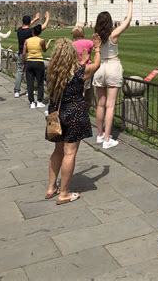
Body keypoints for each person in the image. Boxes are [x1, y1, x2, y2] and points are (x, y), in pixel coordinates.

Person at [45, 36, 101, 203]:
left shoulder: (51, 72)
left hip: (56, 114)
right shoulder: (79, 72)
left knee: (57, 151)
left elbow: (66, 77)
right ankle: (64, 193)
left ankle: (51, 187)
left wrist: (83, 63)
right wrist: (97, 49)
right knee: (70, 153)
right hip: (74, 113)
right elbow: (96, 65)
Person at [93, 0, 133, 149]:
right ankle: (107, 139)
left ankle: (100, 134)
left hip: (100, 67)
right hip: (113, 66)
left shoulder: (96, 36)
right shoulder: (113, 34)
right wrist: (130, 2)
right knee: (110, 105)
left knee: (100, 104)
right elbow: (128, 21)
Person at [14, 12, 50, 98]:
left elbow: (26, 25)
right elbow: (43, 27)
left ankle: (17, 91)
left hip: (20, 53)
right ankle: (28, 90)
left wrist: (35, 19)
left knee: (19, 72)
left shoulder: (19, 30)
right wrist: (47, 18)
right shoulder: (31, 31)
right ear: (29, 22)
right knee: (29, 74)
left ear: (22, 22)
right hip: (29, 55)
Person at [23, 24, 51, 109]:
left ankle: (31, 102)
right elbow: (44, 50)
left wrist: (25, 63)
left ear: (33, 32)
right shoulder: (41, 40)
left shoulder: (27, 41)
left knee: (30, 83)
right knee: (40, 82)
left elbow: (24, 53)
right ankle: (39, 101)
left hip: (30, 61)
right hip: (38, 61)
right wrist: (48, 44)